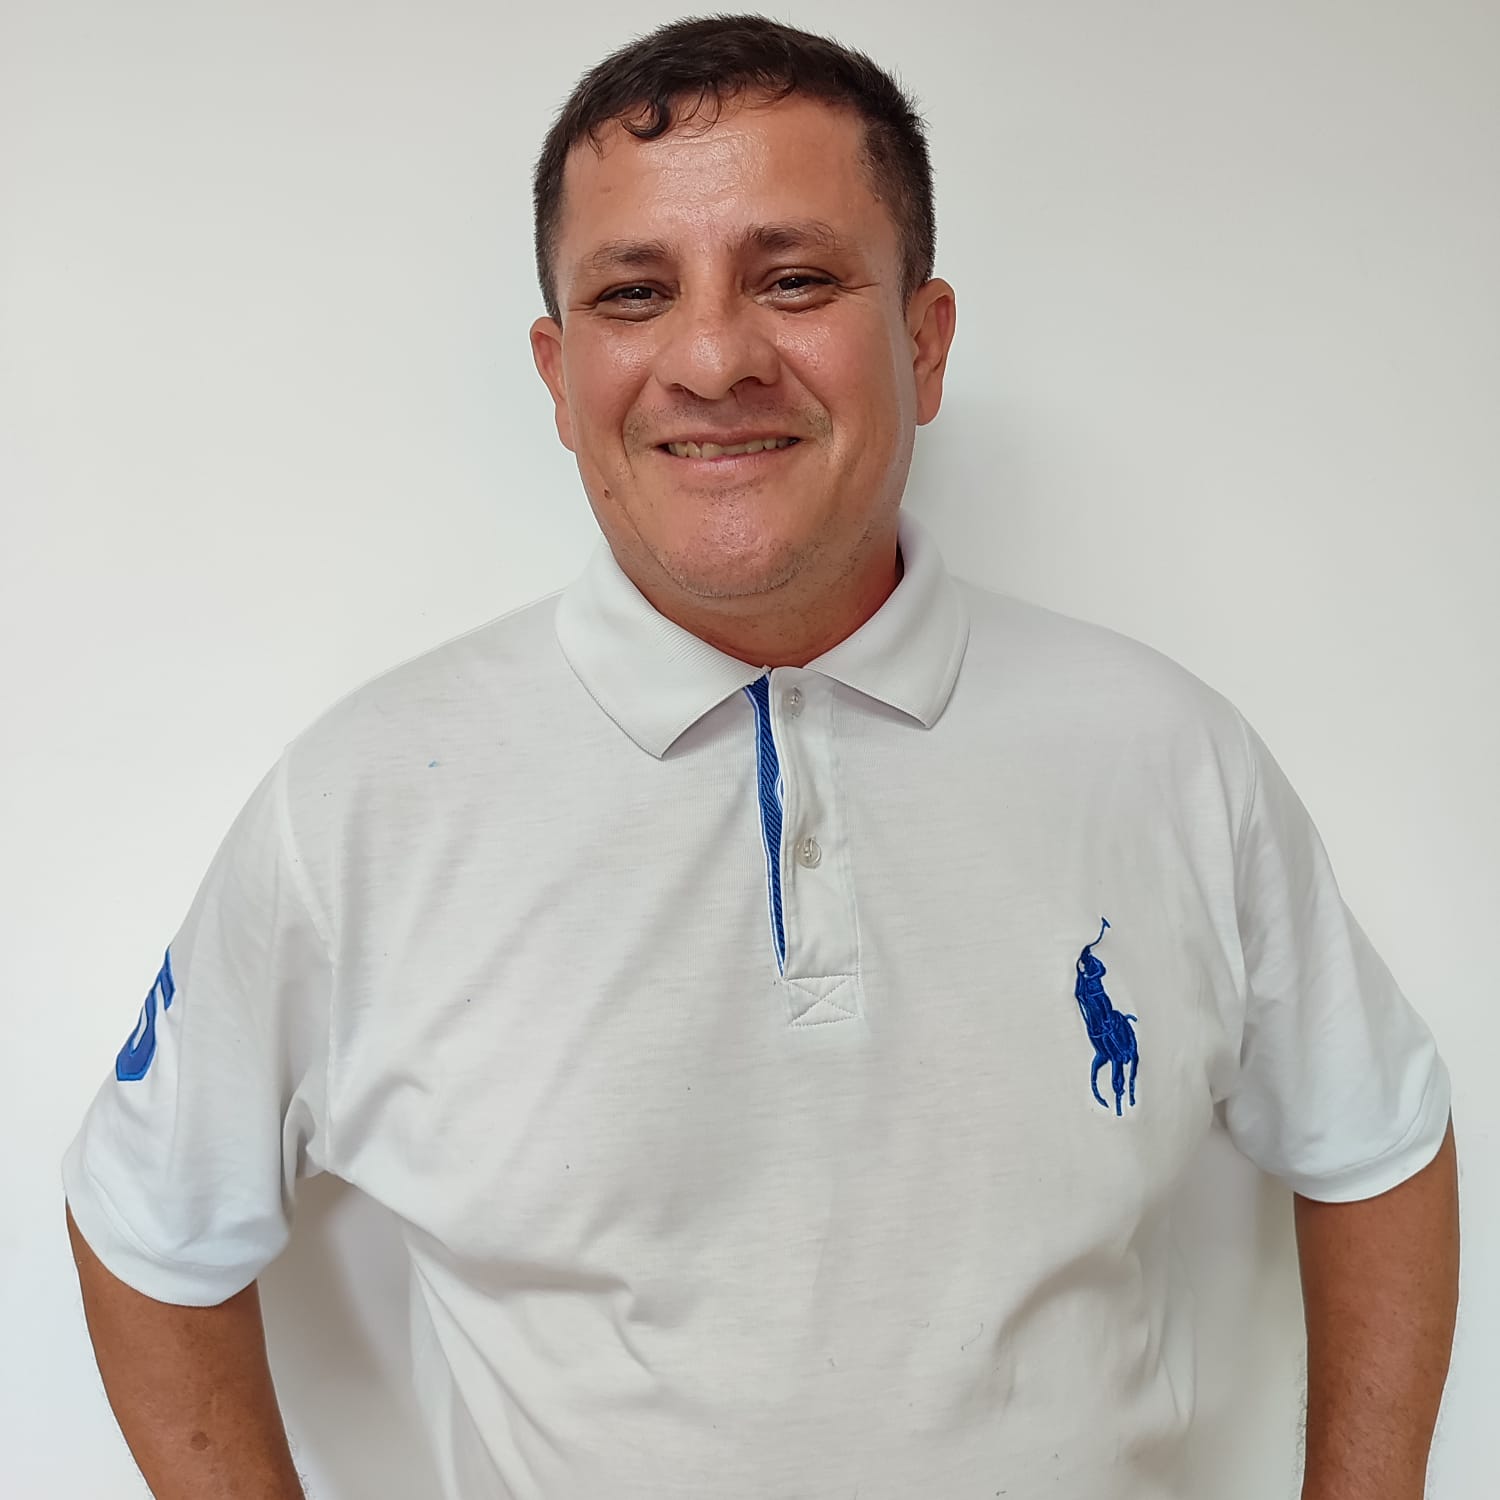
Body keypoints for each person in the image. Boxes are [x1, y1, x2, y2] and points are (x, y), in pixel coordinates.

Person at [63, 14, 1459, 1500]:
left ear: (923, 342)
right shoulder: (357, 809)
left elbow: (1378, 1140)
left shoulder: (1170, 756)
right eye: (635, 292)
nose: (715, 358)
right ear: (558, 374)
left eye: (794, 280)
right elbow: (147, 1226)